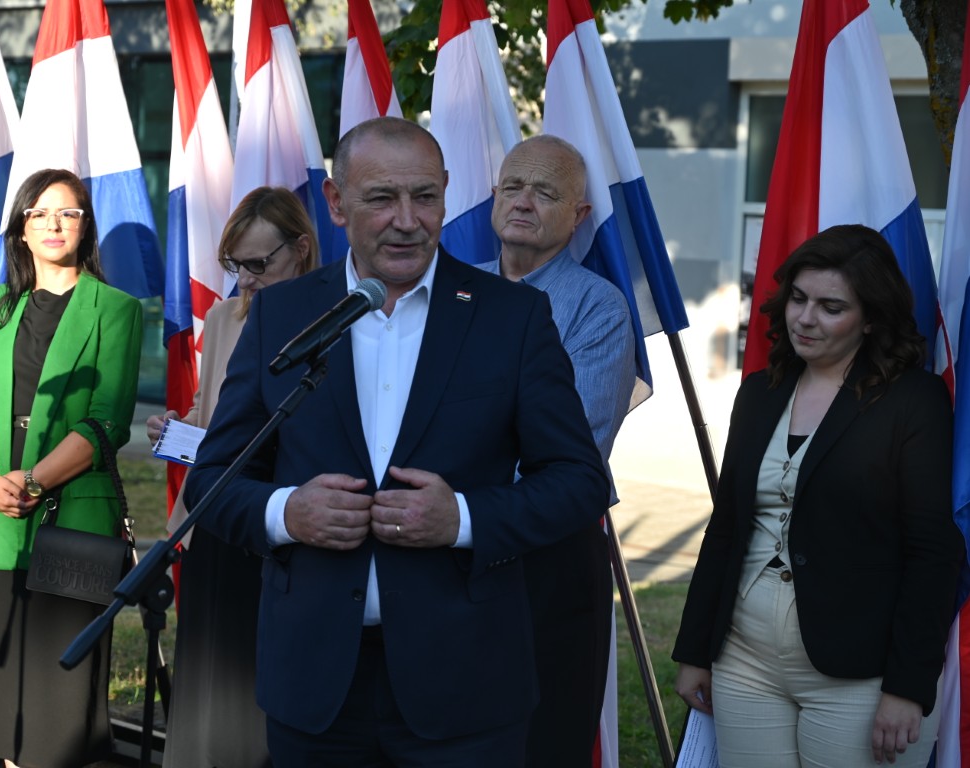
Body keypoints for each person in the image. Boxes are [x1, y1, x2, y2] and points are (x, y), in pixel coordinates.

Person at [182, 116, 610, 766]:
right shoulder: (282, 314)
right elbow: (214, 478)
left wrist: (463, 518)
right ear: (336, 203)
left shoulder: (512, 316)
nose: (407, 221)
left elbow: (579, 481)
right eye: (382, 198)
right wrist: (287, 512)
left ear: (447, 192)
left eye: (425, 197)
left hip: (466, 686)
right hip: (314, 686)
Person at [672, 224, 962, 767]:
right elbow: (726, 527)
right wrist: (694, 651)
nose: (805, 319)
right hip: (743, 659)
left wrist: (907, 684)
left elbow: (932, 551)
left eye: (831, 308)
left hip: (860, 671)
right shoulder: (759, 392)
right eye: (799, 299)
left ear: (870, 318)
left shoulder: (913, 401)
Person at [0, 168, 143, 768]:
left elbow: (107, 422)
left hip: (73, 517)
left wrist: (34, 481)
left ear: (86, 227)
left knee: (58, 698)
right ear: (21, 229)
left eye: (68, 213)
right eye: (40, 213)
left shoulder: (116, 309)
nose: (54, 224)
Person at [149, 186, 319, 768]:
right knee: (209, 680)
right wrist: (177, 428)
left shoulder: (334, 318)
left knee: (261, 688)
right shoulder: (225, 317)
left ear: (301, 249)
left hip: (285, 530)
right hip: (216, 523)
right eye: (235, 265)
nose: (244, 279)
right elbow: (210, 411)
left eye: (257, 264)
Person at [483, 134, 636, 765]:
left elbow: (572, 453)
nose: (523, 201)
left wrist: (459, 498)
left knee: (540, 744)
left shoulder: (599, 308)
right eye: (513, 186)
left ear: (579, 217)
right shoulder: (449, 290)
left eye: (545, 192)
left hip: (546, 558)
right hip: (443, 551)